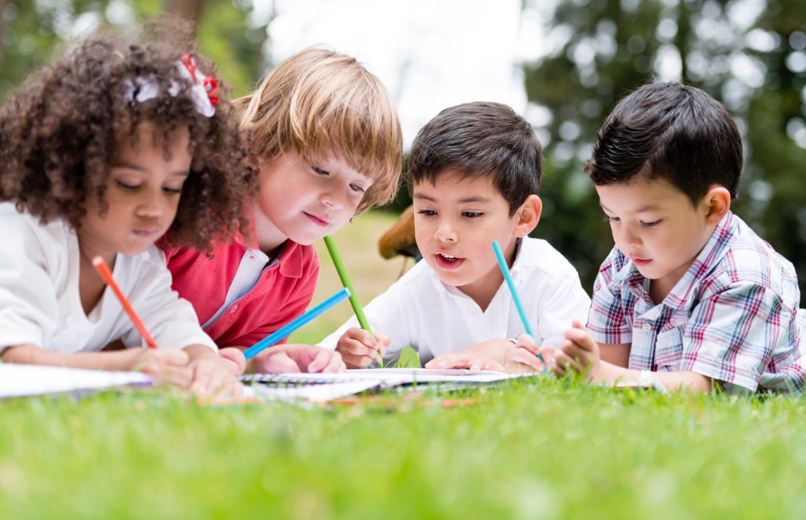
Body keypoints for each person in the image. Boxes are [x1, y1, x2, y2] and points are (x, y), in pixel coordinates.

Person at [0, 25, 254, 396]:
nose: (154, 208)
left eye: (172, 188)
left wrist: (204, 363)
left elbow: (180, 333)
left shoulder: (140, 267)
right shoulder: (23, 238)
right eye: (130, 184)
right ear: (71, 168)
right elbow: (12, 361)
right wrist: (124, 365)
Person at [509, 82, 806, 394]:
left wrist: (602, 375)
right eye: (612, 216)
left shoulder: (745, 277)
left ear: (713, 207)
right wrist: (568, 367)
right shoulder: (624, 266)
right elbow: (605, 372)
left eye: (649, 222)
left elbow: (710, 391)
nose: (626, 239)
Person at [163, 47, 403, 374]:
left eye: (356, 187)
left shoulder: (301, 272)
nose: (335, 199)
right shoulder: (185, 212)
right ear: (257, 147)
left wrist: (265, 360)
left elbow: (241, 356)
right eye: (320, 169)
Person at [319, 101, 591, 369]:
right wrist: (349, 355)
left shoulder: (550, 279)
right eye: (427, 211)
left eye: (471, 214)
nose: (444, 234)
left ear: (523, 217)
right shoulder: (417, 287)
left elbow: (584, 370)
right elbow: (331, 355)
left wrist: (505, 353)